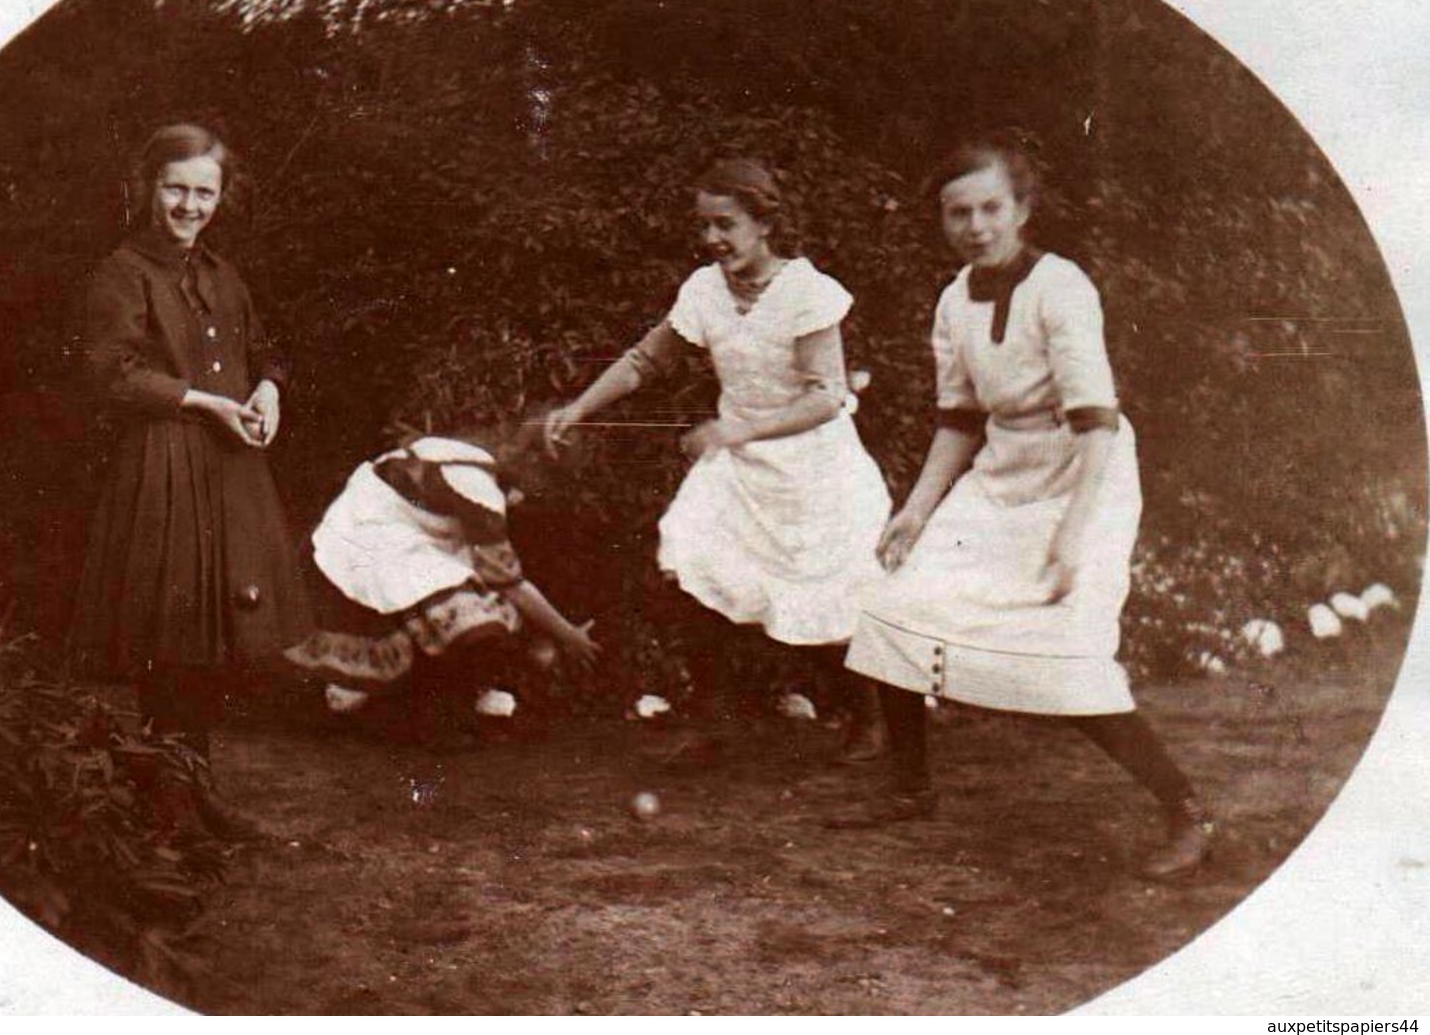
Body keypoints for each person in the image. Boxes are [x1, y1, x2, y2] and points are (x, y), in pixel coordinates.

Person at [839, 135, 1215, 881]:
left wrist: (1074, 532)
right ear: (941, 220)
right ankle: (909, 788)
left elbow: (1094, 418)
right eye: (957, 213)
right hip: (1001, 469)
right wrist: (913, 513)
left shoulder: (1061, 287)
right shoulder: (952, 300)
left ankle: (1184, 807)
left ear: (1021, 209)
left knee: (1062, 644)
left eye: (990, 208)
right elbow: (959, 417)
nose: (975, 226)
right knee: (896, 596)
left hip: (1084, 469)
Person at [544, 159, 893, 761]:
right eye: (704, 226)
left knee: (831, 591)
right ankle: (710, 720)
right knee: (695, 563)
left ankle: (870, 718)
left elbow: (827, 397)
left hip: (816, 469)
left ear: (764, 223)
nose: (712, 239)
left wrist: (737, 431)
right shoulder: (704, 289)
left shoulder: (807, 293)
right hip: (740, 465)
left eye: (726, 224)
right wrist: (578, 408)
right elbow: (645, 360)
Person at [68, 123, 311, 837]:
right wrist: (204, 402)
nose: (189, 204)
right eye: (175, 188)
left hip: (225, 468)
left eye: (203, 191)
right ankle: (167, 803)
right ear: (146, 188)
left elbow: (265, 349)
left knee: (209, 633)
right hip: (163, 465)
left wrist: (268, 389)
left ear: (220, 196)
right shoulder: (120, 273)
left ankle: (192, 793)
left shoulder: (220, 275)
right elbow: (110, 374)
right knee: (170, 634)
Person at [286, 432, 601, 746]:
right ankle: (426, 714)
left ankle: (413, 704)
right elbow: (511, 584)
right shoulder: (479, 490)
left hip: (373, 528)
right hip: (370, 538)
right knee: (475, 616)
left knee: (465, 600)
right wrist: (569, 635)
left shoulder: (471, 457)